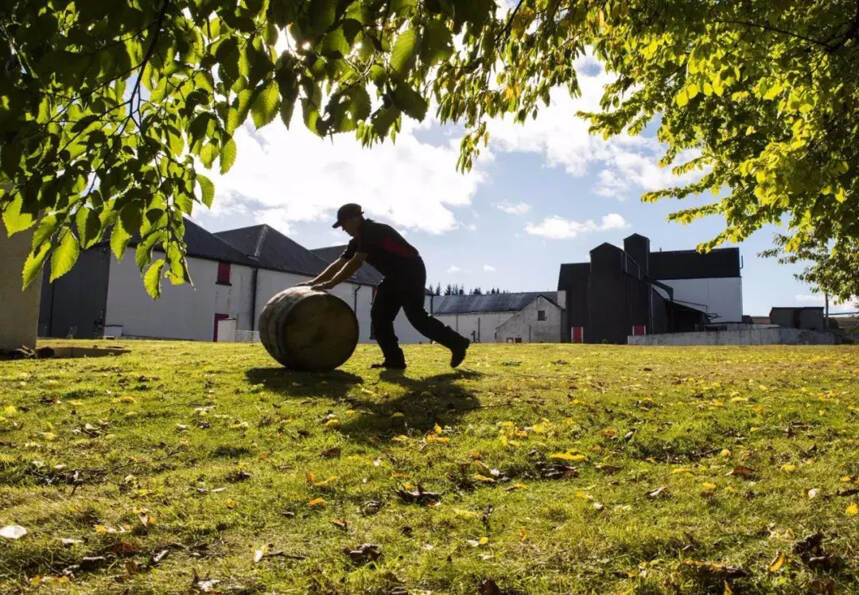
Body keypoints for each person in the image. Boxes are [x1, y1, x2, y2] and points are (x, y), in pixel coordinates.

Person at [303, 203, 469, 369]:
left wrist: (331, 284)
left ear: (355, 218)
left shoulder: (372, 231)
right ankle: (394, 360)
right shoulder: (357, 240)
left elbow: (355, 263)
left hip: (410, 270)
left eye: (344, 224)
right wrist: (314, 282)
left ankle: (458, 343)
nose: (343, 229)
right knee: (379, 316)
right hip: (394, 277)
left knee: (416, 317)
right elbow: (339, 263)